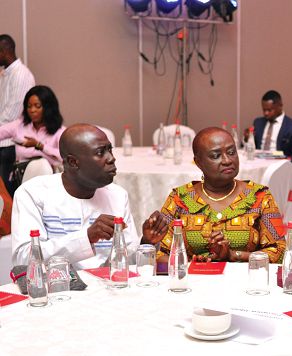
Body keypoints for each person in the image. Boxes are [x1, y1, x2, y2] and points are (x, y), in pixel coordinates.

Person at [11, 124, 167, 269]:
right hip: (55, 292)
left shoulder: (117, 195)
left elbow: (125, 264)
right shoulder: (33, 194)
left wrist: (147, 243)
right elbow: (24, 260)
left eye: (110, 150)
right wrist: (87, 237)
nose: (111, 158)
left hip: (107, 292)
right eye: (100, 152)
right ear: (73, 162)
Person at [156, 127, 286, 263]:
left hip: (245, 280)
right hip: (191, 281)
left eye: (231, 152)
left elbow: (279, 251)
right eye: (215, 156)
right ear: (198, 162)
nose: (227, 160)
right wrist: (190, 264)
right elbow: (158, 254)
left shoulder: (259, 196)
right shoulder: (180, 198)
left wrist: (233, 255)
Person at [0, 85, 65, 192]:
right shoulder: (19, 125)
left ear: (48, 107)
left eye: (37, 106)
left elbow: (64, 157)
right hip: (20, 180)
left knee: (42, 164)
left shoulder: (59, 131)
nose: (32, 110)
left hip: (49, 182)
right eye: (29, 106)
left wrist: (40, 146)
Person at [0, 34, 35, 195]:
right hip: (3, 141)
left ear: (4, 51)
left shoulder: (21, 75)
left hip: (10, 145)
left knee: (7, 194)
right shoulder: (6, 74)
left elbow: (11, 115)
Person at [249, 90, 292, 162]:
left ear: (280, 106)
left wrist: (285, 160)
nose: (266, 113)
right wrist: (248, 138)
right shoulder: (258, 123)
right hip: (258, 161)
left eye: (269, 110)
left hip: (279, 164)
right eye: (264, 110)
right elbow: (251, 147)